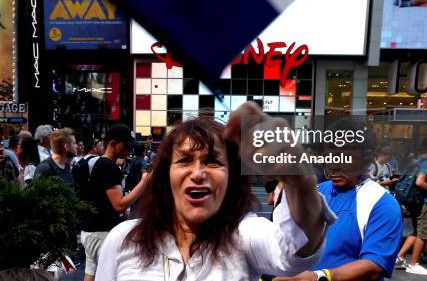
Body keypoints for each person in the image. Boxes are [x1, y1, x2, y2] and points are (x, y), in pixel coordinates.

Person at [96, 105, 333, 281]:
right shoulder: (124, 239)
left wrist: (299, 179)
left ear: (232, 177)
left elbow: (294, 251)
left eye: (213, 162)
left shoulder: (244, 236)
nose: (198, 173)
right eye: (185, 160)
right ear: (166, 175)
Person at [283, 119, 403, 281]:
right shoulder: (316, 192)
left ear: (366, 160)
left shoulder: (382, 204)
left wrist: (320, 277)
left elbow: (374, 266)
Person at [80, 124, 149, 281]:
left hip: (91, 230)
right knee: (111, 275)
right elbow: (119, 205)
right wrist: (144, 183)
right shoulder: (108, 166)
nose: (129, 151)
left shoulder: (101, 164)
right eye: (126, 146)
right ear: (113, 143)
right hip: (101, 232)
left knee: (91, 275)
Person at [396, 137, 427, 275]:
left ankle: (400, 257)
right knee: (424, 233)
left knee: (416, 231)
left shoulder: (416, 160)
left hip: (415, 201)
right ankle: (414, 263)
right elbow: (420, 182)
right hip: (425, 202)